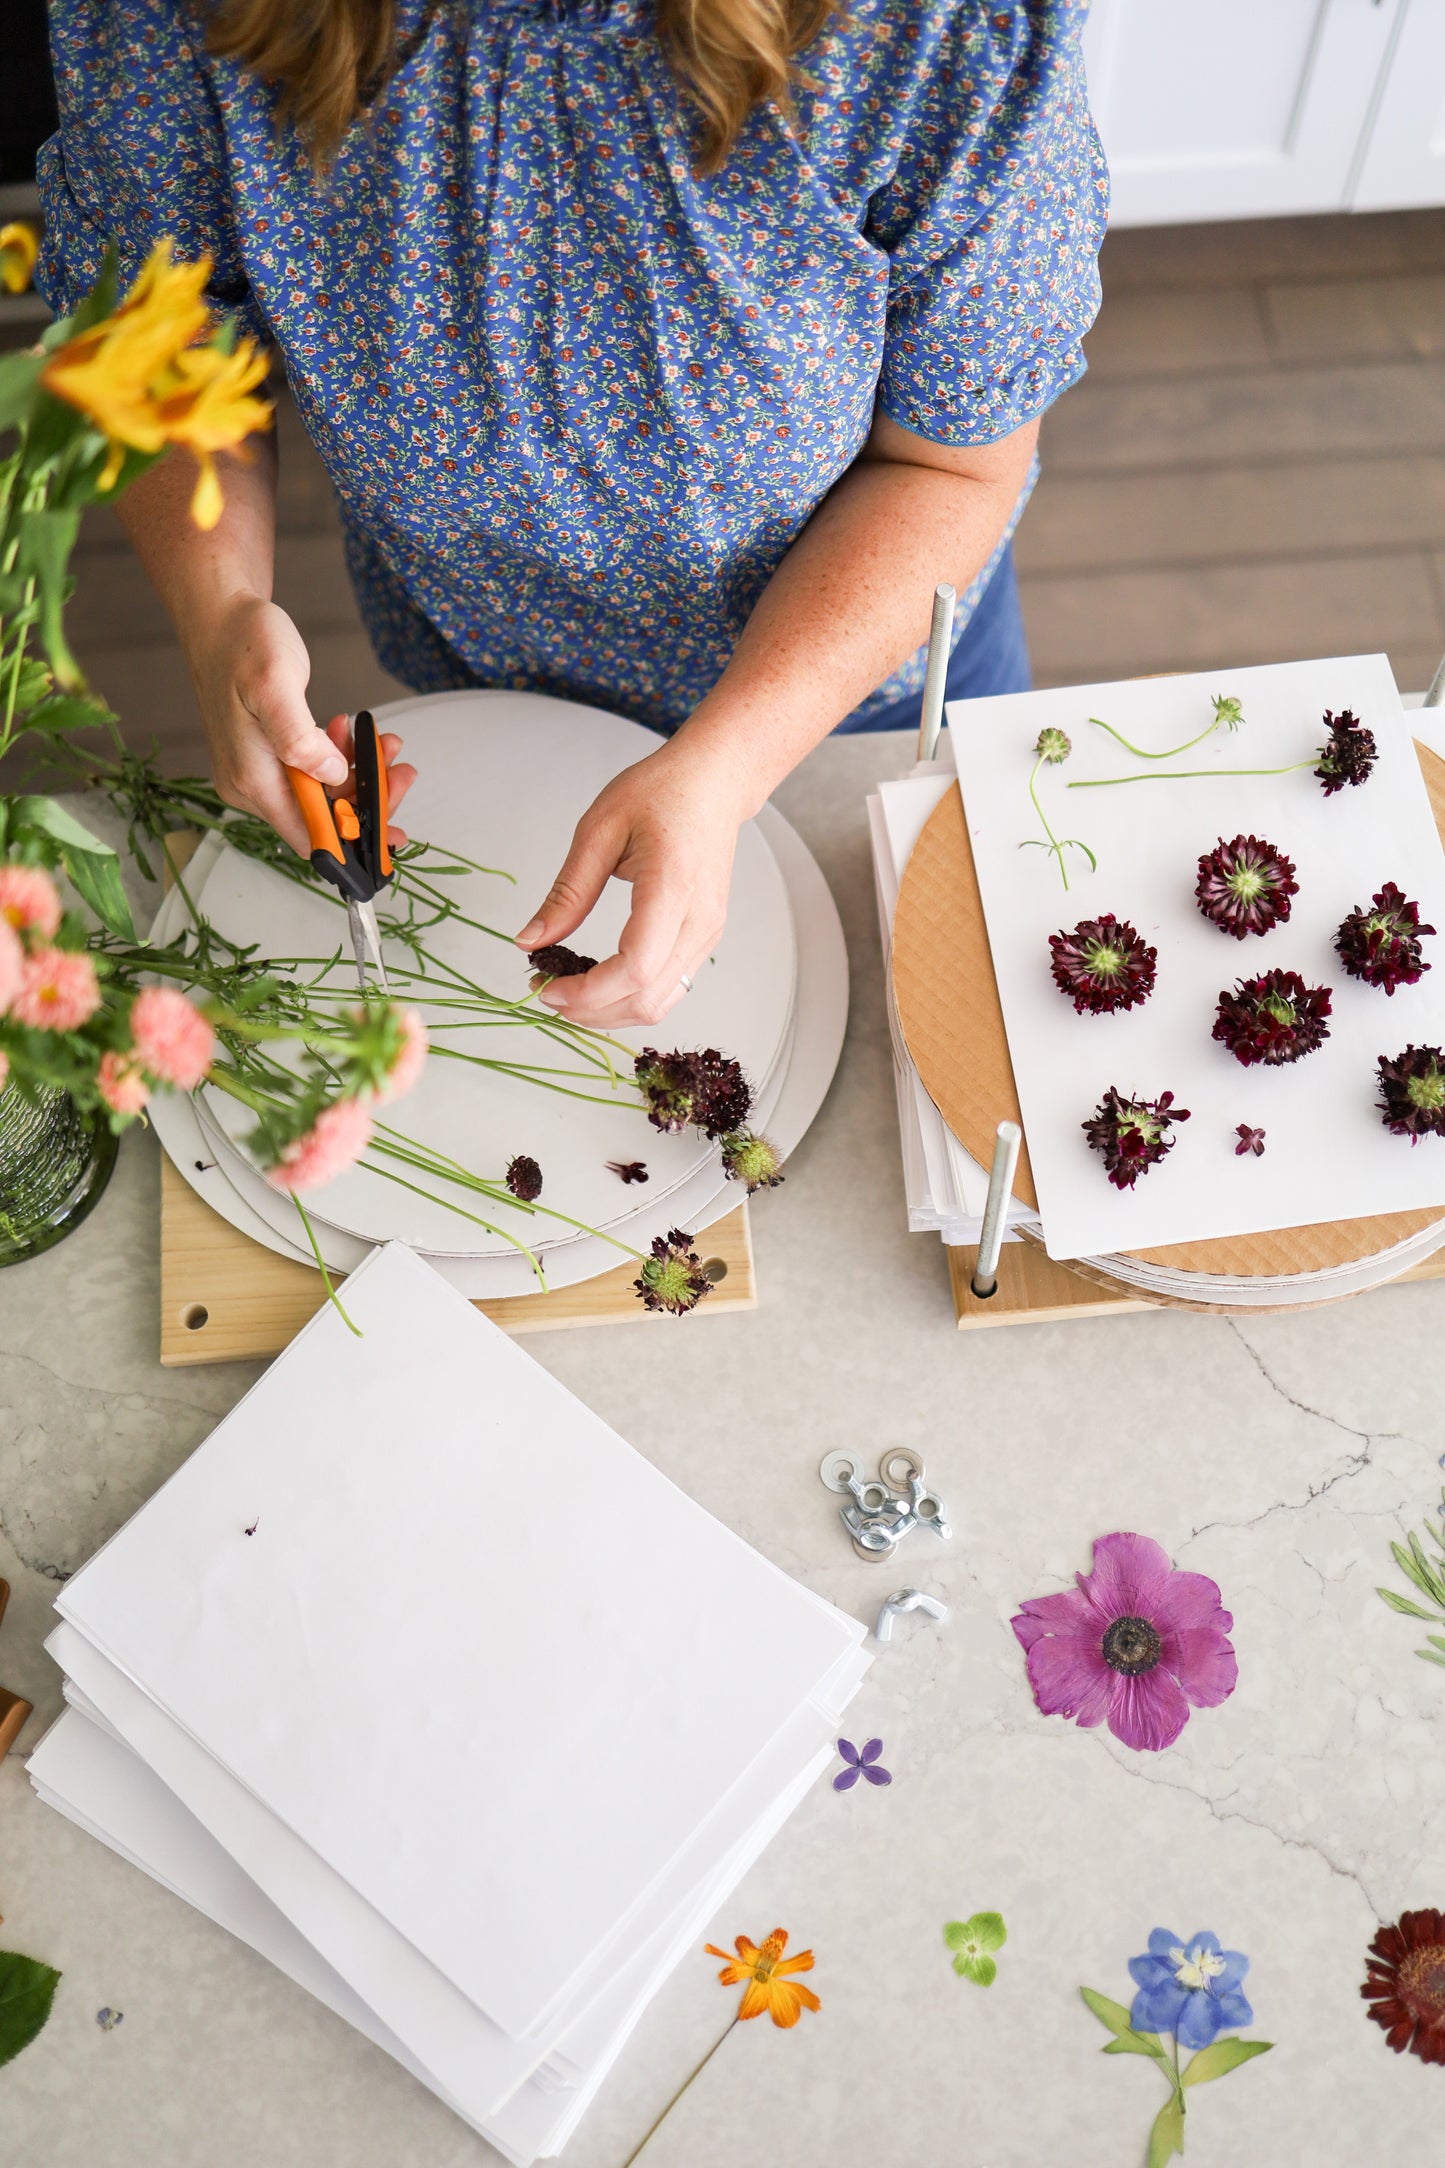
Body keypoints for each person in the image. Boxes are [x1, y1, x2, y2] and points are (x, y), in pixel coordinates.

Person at [37, 0, 1106, 1029]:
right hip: (482, 661)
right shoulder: (178, 15)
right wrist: (218, 604)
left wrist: (727, 762)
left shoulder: (933, 28)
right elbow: (155, 340)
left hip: (853, 679)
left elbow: (952, 467)